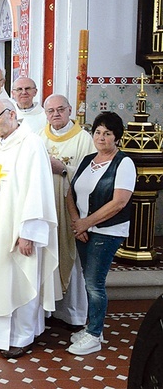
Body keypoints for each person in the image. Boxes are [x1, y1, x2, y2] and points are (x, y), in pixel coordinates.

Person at [0, 99, 59, 359]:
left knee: (20, 279)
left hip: (18, 232)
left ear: (11, 114)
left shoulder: (30, 144)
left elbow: (37, 191)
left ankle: (22, 337)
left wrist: (28, 233)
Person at [66, 111, 135, 355]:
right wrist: (77, 223)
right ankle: (92, 327)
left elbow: (119, 202)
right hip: (84, 230)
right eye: (97, 132)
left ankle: (94, 335)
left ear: (117, 137)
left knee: (95, 284)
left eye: (107, 133)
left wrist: (87, 223)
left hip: (107, 232)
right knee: (88, 280)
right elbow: (70, 194)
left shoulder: (123, 163)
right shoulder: (87, 160)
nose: (101, 137)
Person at [39, 94, 95, 329]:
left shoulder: (84, 139)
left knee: (73, 261)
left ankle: (74, 314)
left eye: (60, 109)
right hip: (46, 208)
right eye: (51, 111)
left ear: (70, 110)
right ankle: (50, 311)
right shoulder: (40, 137)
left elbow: (92, 174)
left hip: (73, 210)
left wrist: (64, 168)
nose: (55, 114)